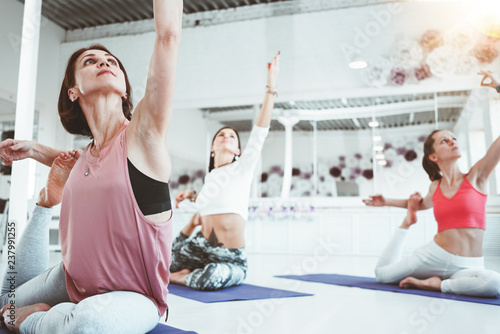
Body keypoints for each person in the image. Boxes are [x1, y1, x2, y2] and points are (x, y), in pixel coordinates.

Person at [0, 0, 183, 332]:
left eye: (111, 60)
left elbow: (168, 35)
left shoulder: (143, 135)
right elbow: (83, 164)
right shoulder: (85, 158)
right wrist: (31, 149)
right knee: (4, 303)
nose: (104, 61)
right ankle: (48, 312)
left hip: (133, 297)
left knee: (87, 324)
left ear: (126, 88)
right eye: (90, 61)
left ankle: (35, 320)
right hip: (70, 280)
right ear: (74, 91)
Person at [362, 70, 500, 297]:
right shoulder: (435, 187)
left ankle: (436, 284)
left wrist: (498, 88)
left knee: (494, 283)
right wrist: (386, 201)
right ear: (433, 157)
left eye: (454, 138)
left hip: (471, 264)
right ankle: (406, 225)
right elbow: (420, 203)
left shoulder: (477, 176)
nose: (452, 141)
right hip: (434, 255)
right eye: (444, 141)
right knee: (382, 275)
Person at [170, 52, 280, 290]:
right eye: (221, 135)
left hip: (230, 257)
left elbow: (260, 130)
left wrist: (271, 86)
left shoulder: (243, 167)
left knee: (210, 278)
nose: (226, 137)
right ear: (212, 147)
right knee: (163, 261)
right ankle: (180, 272)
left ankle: (178, 277)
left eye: (232, 136)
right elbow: (210, 200)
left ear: (239, 150)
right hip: (202, 248)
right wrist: (190, 194)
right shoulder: (210, 177)